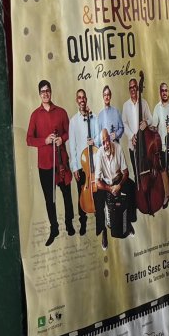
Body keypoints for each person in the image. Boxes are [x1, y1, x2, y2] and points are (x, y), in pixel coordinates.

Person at [25, 80, 74, 246]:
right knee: (49, 198)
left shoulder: (61, 112)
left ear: (51, 92)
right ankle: (54, 228)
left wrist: (62, 138)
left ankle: (69, 223)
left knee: (67, 194)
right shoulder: (35, 115)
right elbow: (29, 140)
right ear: (39, 94)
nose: (45, 94)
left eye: (47, 91)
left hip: (61, 161)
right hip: (45, 164)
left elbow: (69, 132)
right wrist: (45, 140)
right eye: (42, 91)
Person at [66, 89, 97, 238]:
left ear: (86, 99)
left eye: (83, 97)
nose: (82, 100)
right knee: (81, 194)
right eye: (79, 97)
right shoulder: (73, 121)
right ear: (76, 100)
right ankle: (83, 222)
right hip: (81, 164)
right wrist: (74, 167)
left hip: (95, 163)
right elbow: (72, 146)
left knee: (97, 192)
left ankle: (99, 220)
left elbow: (98, 136)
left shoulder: (94, 117)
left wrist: (94, 141)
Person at [92, 129, 129, 250]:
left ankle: (127, 223)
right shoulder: (99, 154)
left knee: (132, 189)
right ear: (101, 144)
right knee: (98, 204)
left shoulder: (118, 147)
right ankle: (104, 232)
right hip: (106, 183)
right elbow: (97, 181)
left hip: (118, 180)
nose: (106, 144)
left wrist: (119, 186)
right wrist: (109, 188)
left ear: (110, 139)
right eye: (103, 142)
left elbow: (126, 172)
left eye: (107, 140)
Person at [121, 76, 146, 230]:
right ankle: (138, 203)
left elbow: (149, 120)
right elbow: (124, 124)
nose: (133, 90)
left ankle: (147, 197)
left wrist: (145, 124)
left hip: (144, 146)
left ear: (137, 88)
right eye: (130, 88)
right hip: (133, 145)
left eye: (134, 87)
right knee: (137, 174)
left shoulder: (144, 103)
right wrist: (132, 136)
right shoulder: (125, 106)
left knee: (146, 172)